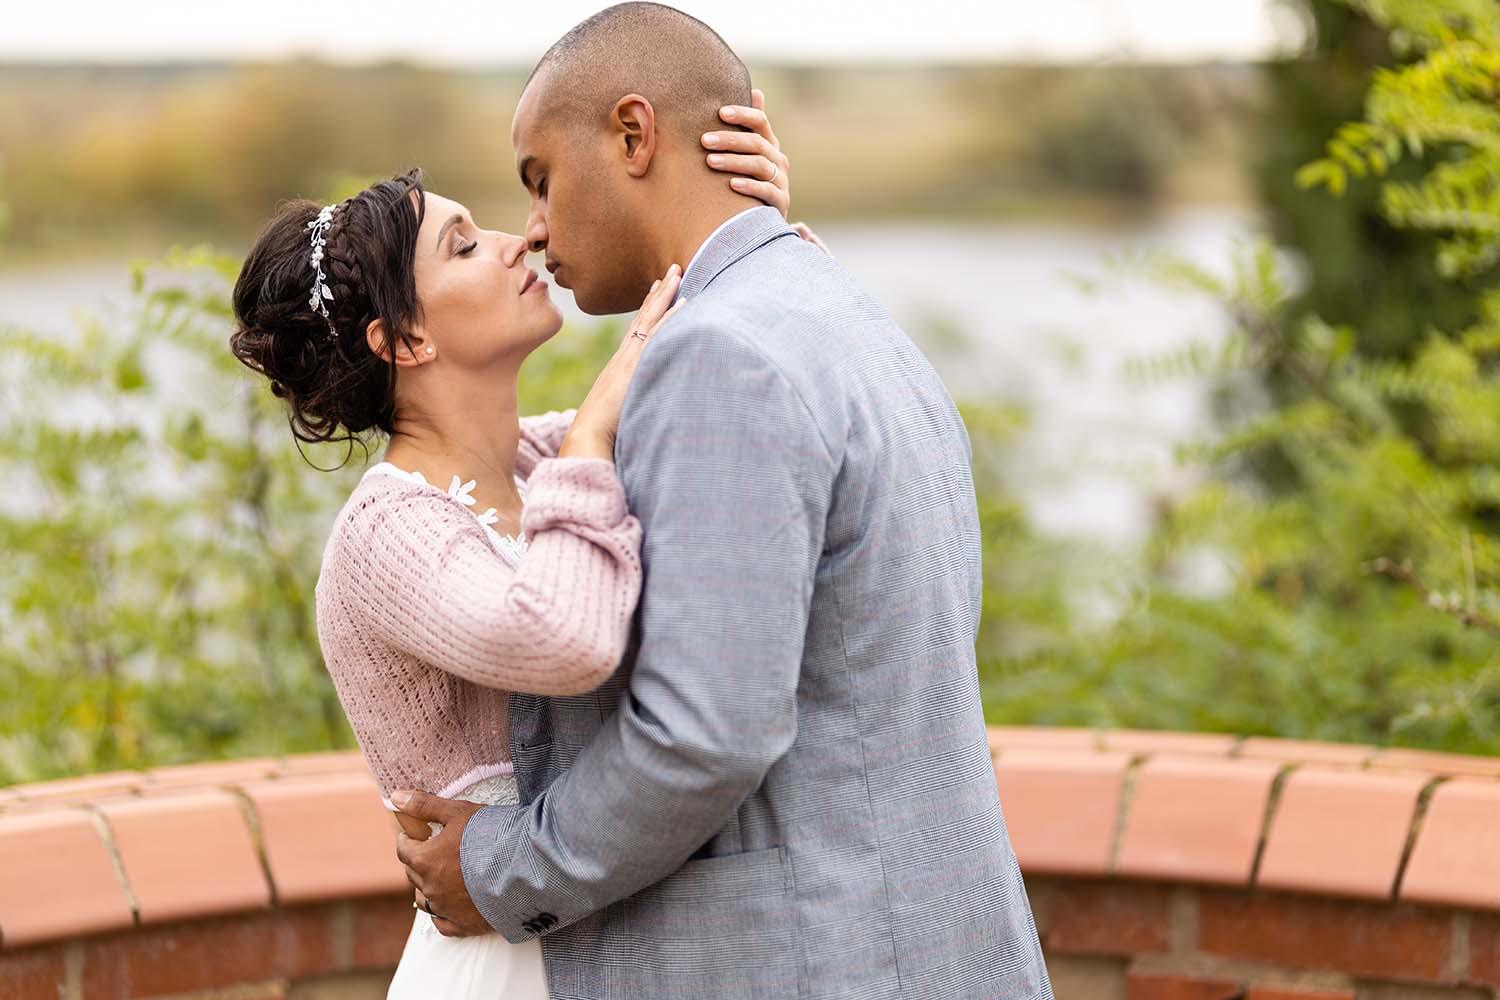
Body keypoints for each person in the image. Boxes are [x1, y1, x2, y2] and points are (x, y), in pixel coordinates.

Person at [391, 4, 1054, 998]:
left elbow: (705, 733)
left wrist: (500, 869)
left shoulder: (720, 356)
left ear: (631, 135)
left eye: (540, 180)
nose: (531, 229)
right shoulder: (844, 311)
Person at [226, 93, 807, 996]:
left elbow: (749, 373)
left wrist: (745, 220)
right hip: (508, 962)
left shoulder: (545, 458)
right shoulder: (386, 535)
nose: (519, 241)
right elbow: (564, 640)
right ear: (404, 338)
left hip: (617, 935)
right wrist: (590, 441)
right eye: (464, 245)